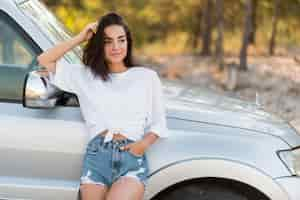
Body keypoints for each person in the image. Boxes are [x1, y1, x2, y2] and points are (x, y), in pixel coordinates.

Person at [37, 12, 169, 200]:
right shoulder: (85, 76)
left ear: (128, 42)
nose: (116, 47)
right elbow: (45, 60)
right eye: (108, 41)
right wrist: (81, 37)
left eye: (121, 40)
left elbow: (158, 123)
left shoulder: (146, 77)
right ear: (100, 45)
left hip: (130, 157)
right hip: (97, 158)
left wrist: (141, 146)